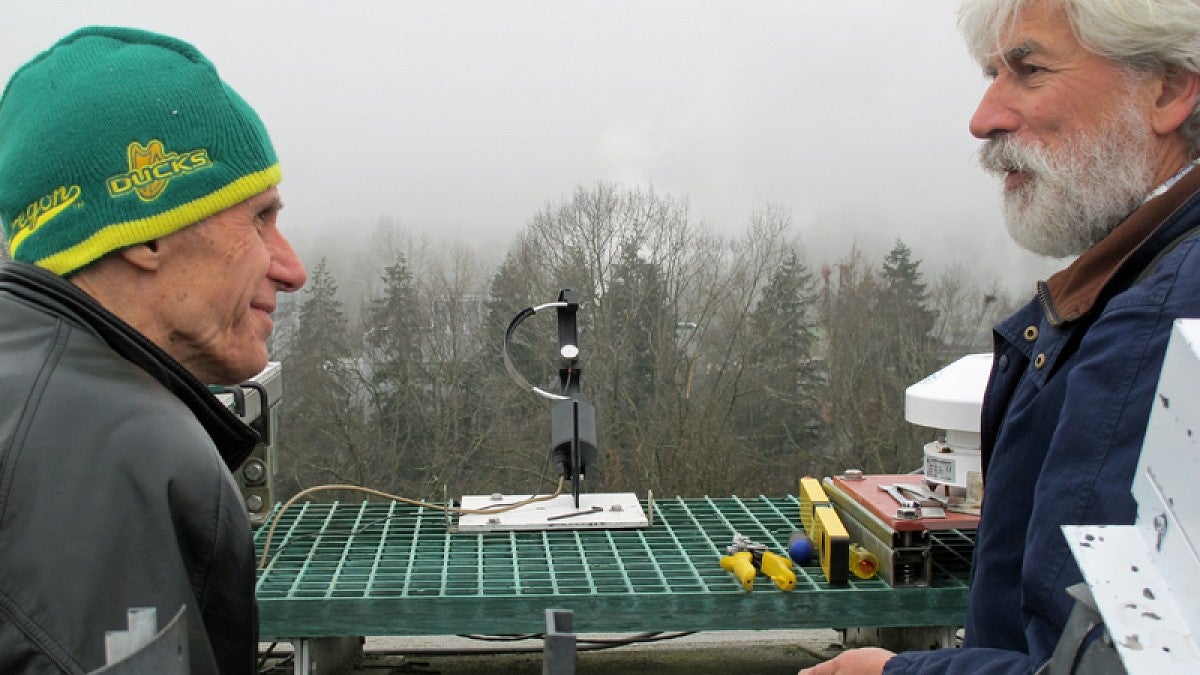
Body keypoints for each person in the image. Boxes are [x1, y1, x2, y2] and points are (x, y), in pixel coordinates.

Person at [801, 0, 1200, 673]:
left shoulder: (1159, 327)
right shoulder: (1139, 287)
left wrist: (893, 672)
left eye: (1030, 69)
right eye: (992, 73)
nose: (983, 118)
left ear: (1167, 89)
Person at [0, 27, 306, 674]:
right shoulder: (126, 457)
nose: (291, 267)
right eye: (259, 218)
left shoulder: (30, 394)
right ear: (146, 233)